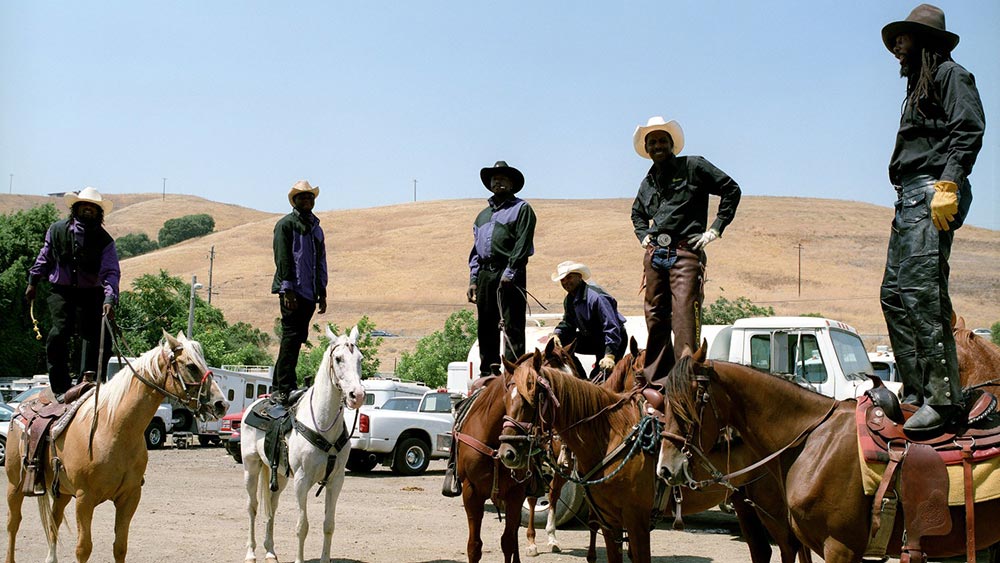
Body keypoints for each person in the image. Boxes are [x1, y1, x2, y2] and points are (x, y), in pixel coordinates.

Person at [879, 4, 985, 433]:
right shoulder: (919, 85)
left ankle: (943, 401)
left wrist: (950, 183)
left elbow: (969, 128)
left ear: (924, 42)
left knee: (922, 294)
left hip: (932, 193)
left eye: (902, 39)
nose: (896, 48)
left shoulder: (950, 75)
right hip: (908, 199)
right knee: (894, 295)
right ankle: (918, 390)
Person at [630, 117, 741, 389]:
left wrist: (714, 229)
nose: (658, 145)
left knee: (683, 314)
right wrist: (644, 235)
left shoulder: (694, 166)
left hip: (685, 252)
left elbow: (731, 189)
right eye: (652, 142)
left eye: (662, 140)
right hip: (656, 253)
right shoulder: (648, 181)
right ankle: (656, 381)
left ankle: (685, 378)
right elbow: (637, 213)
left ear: (672, 144)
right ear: (646, 148)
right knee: (655, 314)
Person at [25, 187, 121, 397]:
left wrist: (109, 297)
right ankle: (60, 385)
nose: (88, 210)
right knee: (59, 332)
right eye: (84, 206)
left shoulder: (105, 241)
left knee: (98, 335)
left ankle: (89, 378)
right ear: (76, 208)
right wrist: (33, 281)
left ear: (98, 213)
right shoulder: (56, 229)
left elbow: (111, 271)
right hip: (62, 291)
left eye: (93, 208)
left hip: (92, 293)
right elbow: (45, 256)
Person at [467, 161, 537, 377]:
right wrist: (473, 278)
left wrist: (510, 271)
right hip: (486, 274)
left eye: (504, 178)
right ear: (489, 183)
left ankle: (514, 371)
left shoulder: (522, 209)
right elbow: (476, 250)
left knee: (511, 324)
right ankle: (488, 372)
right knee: (485, 325)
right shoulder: (482, 216)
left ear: (512, 183)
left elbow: (523, 243)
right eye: (495, 178)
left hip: (510, 271)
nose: (498, 181)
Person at [271, 180, 328, 406]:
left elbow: (320, 261)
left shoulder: (316, 228)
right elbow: (283, 257)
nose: (307, 201)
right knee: (291, 337)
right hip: (292, 292)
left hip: (309, 292)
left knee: (296, 339)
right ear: (294, 201)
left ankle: (281, 385)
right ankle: (283, 388)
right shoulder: (285, 225)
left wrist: (322, 291)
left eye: (310, 197)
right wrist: (287, 288)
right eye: (302, 197)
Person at [550, 261, 628, 380]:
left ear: (579, 277)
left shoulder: (597, 297)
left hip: (613, 340)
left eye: (569, 277)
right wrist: (556, 334)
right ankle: (580, 378)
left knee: (601, 378)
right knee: (561, 342)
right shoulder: (569, 299)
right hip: (593, 338)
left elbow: (611, 327)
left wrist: (610, 355)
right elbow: (568, 323)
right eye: (562, 280)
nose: (565, 282)